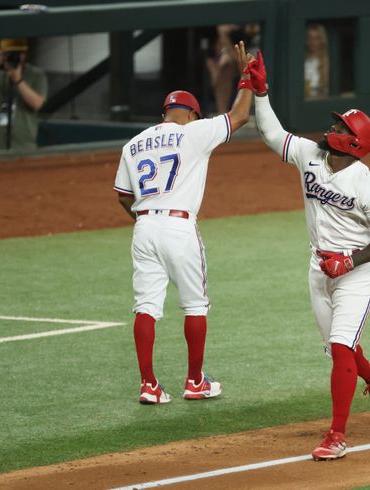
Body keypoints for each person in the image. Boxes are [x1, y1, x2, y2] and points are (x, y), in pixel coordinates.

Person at [246, 51, 370, 460]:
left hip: (359, 270)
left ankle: (337, 434)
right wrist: (261, 91)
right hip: (318, 267)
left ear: (353, 141)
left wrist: (349, 262)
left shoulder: (369, 183)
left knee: (339, 348)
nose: (330, 128)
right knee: (342, 350)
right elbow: (272, 134)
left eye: (339, 126)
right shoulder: (310, 156)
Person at [114, 42, 253, 405]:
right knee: (195, 305)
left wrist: (145, 217)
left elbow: (123, 197)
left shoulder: (133, 144)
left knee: (146, 306)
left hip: (143, 228)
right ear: (191, 114)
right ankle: (195, 381)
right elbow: (238, 117)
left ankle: (149, 385)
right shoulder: (194, 132)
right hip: (179, 227)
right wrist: (247, 79)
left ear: (166, 113)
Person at [0, 38, 47, 150]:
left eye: (17, 54)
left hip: (23, 146)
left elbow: (37, 104)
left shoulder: (36, 75)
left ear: (24, 54)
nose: (13, 57)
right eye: (8, 54)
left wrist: (17, 79)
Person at [305, 23, 330, 99]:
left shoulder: (327, 61)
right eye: (310, 38)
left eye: (317, 38)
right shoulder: (302, 61)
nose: (313, 42)